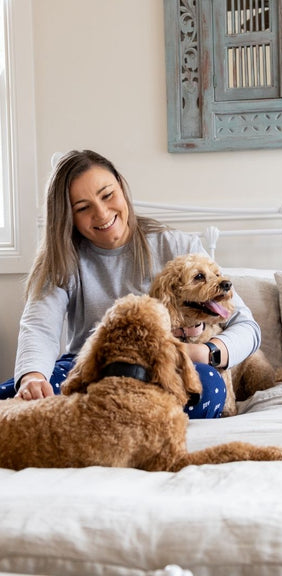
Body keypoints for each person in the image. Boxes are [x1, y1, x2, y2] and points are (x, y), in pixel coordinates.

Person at [0, 149, 261, 418]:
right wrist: (33, 377)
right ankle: (115, 415)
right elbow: (39, 328)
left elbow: (246, 326)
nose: (101, 214)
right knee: (14, 396)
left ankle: (109, 418)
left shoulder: (179, 246)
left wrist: (206, 352)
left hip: (165, 367)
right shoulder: (63, 259)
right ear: (68, 216)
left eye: (107, 195)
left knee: (205, 385)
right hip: (91, 369)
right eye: (82, 207)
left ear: (122, 187)